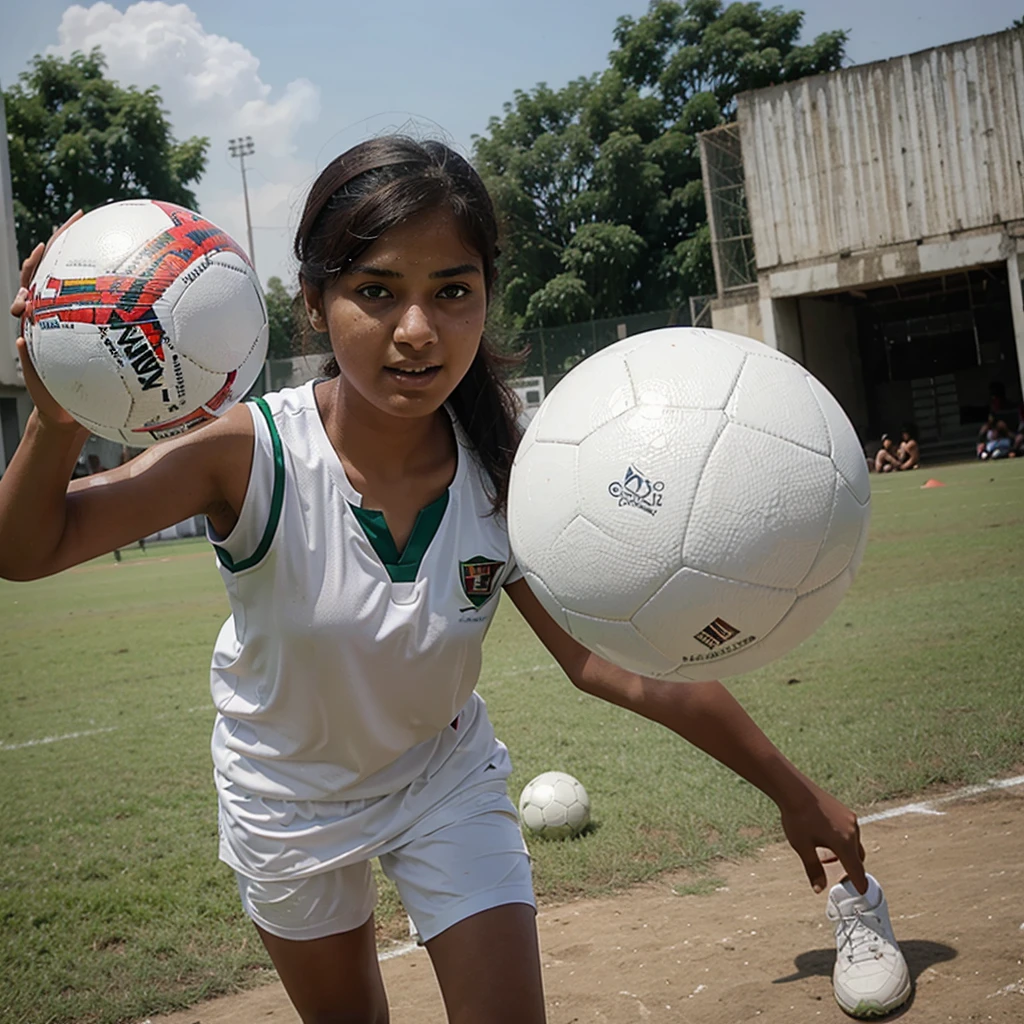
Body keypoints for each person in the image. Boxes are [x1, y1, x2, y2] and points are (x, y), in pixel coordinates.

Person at [0, 138, 907, 1024]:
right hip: (286, 802)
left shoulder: (520, 478)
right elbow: (27, 548)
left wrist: (793, 788)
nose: (418, 331)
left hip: (444, 781)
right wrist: (58, 411)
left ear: (485, 297)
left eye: (453, 291)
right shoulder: (251, 451)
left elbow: (606, 663)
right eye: (376, 292)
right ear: (313, 303)